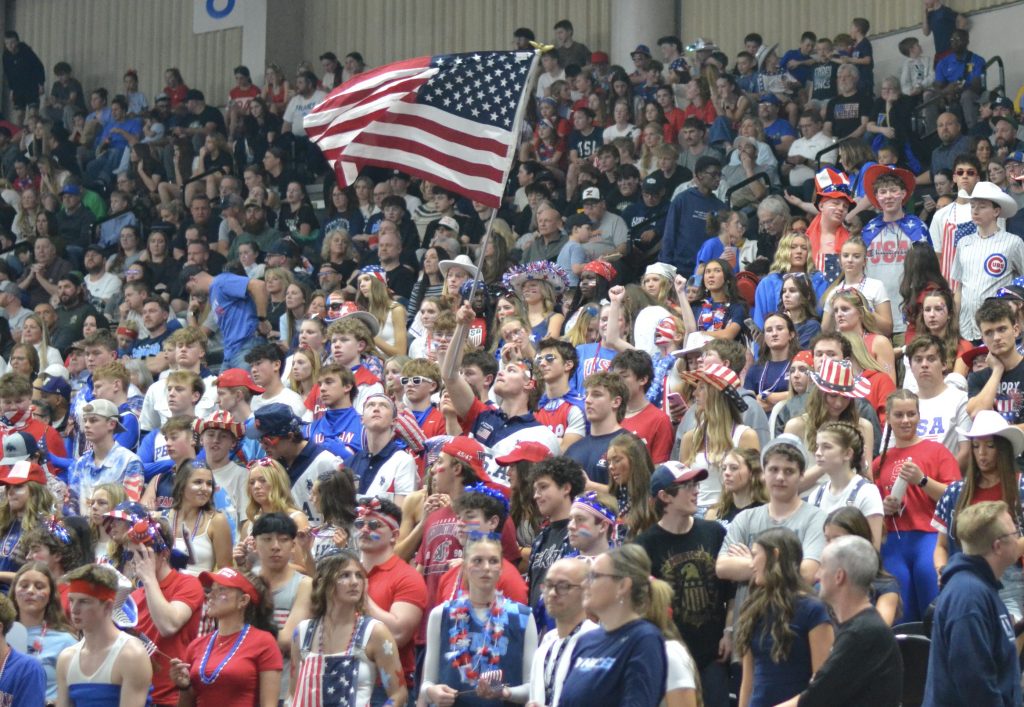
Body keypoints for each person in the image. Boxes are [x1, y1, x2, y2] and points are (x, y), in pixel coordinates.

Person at [636, 460, 731, 707]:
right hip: (670, 653)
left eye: (696, 484)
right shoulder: (644, 545)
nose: (696, 490)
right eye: (687, 485)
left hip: (713, 653)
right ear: (665, 496)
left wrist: (729, 630)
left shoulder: (714, 532)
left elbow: (730, 590)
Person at [774, 535, 902, 707]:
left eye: (823, 567)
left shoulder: (862, 634)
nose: (817, 575)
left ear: (839, 576)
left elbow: (813, 700)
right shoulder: (861, 628)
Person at [924, 501, 1022, 706]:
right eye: (1015, 533)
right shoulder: (969, 598)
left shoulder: (982, 587)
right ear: (998, 546)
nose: (1019, 539)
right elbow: (975, 684)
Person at [873, 390, 959, 622]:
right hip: (893, 542)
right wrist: (884, 507)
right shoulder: (879, 462)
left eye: (911, 414)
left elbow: (956, 497)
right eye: (899, 415)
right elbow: (871, 509)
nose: (905, 420)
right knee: (901, 618)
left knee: (935, 613)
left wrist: (922, 480)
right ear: (889, 418)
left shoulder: (937, 451)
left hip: (929, 539)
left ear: (919, 416)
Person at [421, 533, 537, 706]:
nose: (486, 567)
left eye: (493, 561)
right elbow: (427, 682)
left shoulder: (522, 616)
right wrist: (432, 691)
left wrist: (506, 692)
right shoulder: (441, 614)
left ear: (501, 567)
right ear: (465, 567)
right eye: (477, 561)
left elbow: (532, 688)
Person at [933, 410, 1024, 619]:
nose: (982, 453)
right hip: (962, 578)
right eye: (976, 446)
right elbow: (941, 546)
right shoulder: (955, 492)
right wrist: (942, 568)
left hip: (1009, 577)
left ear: (1002, 448)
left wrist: (993, 558)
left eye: (989, 446)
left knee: (1008, 641)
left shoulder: (1020, 487)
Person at [733, 527, 834, 707]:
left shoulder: (813, 609)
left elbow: (823, 683)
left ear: (775, 555)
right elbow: (748, 681)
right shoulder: (753, 609)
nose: (751, 564)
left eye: (755, 555)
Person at [557, 544, 667, 707]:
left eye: (594, 576)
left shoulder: (644, 639)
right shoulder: (586, 640)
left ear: (623, 586)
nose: (584, 585)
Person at [169, 567, 283, 707]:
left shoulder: (264, 642)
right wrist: (184, 687)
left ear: (243, 600)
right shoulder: (196, 646)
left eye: (221, 589)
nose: (210, 595)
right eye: (212, 589)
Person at [129, 516, 205, 707]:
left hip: (174, 699)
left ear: (164, 554)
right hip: (139, 697)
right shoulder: (134, 597)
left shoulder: (188, 584)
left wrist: (148, 579)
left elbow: (168, 625)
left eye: (142, 554)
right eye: (132, 555)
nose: (136, 562)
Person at [355, 497, 426, 695]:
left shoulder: (408, 577)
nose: (365, 530)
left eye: (375, 525)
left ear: (394, 535)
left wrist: (362, 596)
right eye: (360, 524)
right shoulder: (344, 571)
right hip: (344, 678)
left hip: (386, 685)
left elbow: (397, 635)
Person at [56, 564, 152, 707]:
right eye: (71, 600)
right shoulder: (66, 658)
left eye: (84, 601)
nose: (74, 609)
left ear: (108, 606)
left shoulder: (131, 655)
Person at [526, 557, 597, 707]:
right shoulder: (545, 646)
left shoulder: (598, 643)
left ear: (587, 591)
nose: (552, 593)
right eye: (548, 585)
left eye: (563, 586)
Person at [11, 562, 77, 702]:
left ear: (50, 595)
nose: (30, 591)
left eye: (39, 586)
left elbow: (77, 693)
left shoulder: (67, 642)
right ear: (13, 592)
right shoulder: (2, 636)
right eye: (24, 585)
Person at [661, 156, 726, 276]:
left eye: (719, 175)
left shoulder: (720, 206)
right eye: (713, 174)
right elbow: (669, 235)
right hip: (680, 268)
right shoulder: (682, 199)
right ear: (700, 174)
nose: (718, 179)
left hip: (708, 270)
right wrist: (667, 265)